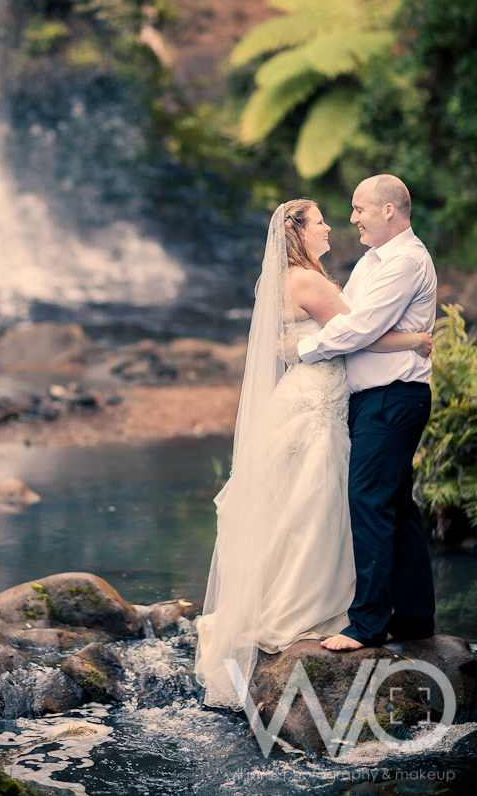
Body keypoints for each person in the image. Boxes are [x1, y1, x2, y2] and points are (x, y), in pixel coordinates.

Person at [194, 197, 432, 710]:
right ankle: (320, 605)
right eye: (322, 220)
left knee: (304, 503)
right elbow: (359, 335)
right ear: (298, 232)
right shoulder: (306, 280)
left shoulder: (291, 279)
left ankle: (347, 604)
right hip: (319, 400)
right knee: (318, 502)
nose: (333, 226)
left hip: (308, 396)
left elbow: (348, 331)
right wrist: (418, 338)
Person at [296, 175, 437, 651]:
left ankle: (368, 624)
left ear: (389, 212)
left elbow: (357, 327)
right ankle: (415, 620)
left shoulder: (406, 262)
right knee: (396, 507)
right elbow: (353, 320)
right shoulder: (372, 261)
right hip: (377, 398)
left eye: (359, 209)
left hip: (392, 397)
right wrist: (408, 339)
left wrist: (304, 349)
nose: (352, 218)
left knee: (370, 505)